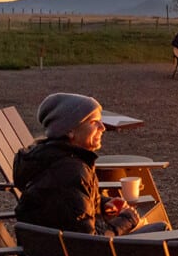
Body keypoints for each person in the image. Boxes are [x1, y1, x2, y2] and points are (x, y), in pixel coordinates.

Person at [14, 93, 161, 235]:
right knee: (160, 230)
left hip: (51, 251)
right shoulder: (71, 172)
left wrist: (101, 204)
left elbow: (70, 204)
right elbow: (90, 243)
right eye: (93, 122)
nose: (102, 128)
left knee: (155, 229)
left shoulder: (51, 159)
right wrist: (127, 220)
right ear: (70, 131)